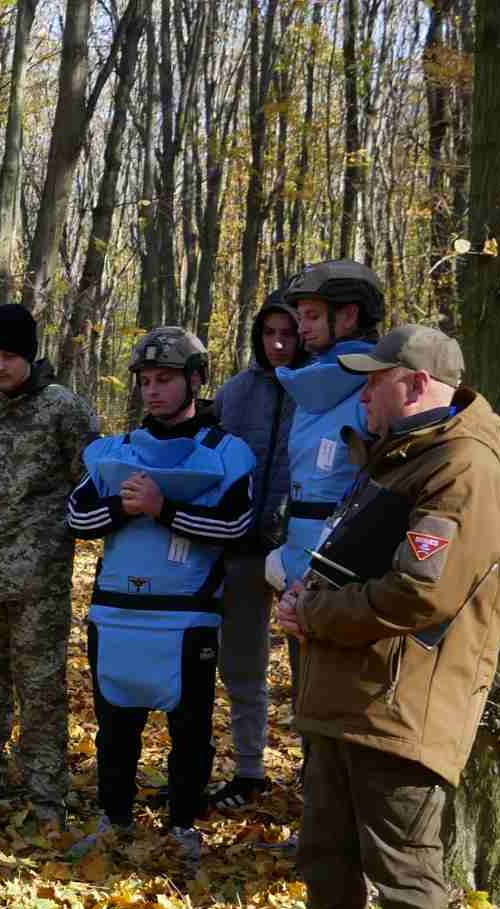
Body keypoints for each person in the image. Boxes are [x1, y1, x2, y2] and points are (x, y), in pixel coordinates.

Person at [274, 325, 500, 909]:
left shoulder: (464, 471)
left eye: (374, 381)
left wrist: (314, 614)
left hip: (402, 703)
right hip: (346, 694)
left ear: (413, 385)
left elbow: (421, 594)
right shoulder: (398, 459)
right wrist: (305, 603)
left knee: (405, 870)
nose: (364, 393)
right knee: (327, 849)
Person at [67, 328, 256, 858]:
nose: (153, 391)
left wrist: (163, 509)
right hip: (117, 611)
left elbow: (236, 525)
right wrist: (123, 508)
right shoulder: (116, 450)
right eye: (147, 381)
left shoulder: (226, 452)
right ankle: (114, 817)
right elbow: (77, 515)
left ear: (196, 381)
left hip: (186, 615)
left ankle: (182, 824)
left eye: (166, 380)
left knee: (190, 727)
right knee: (114, 725)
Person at [0, 303, 99, 828]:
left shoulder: (64, 411)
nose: (1, 365)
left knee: (39, 686)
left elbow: (91, 483)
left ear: (30, 355)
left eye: (10, 354)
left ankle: (45, 792)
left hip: (38, 577)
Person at [206, 291, 306, 810]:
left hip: (305, 553)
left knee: (310, 670)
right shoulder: (236, 393)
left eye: (288, 333)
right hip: (241, 548)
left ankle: (317, 773)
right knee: (241, 663)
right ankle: (250, 770)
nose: (279, 343)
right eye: (269, 334)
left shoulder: (325, 392)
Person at [267, 261, 384, 609]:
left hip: (348, 587)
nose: (300, 328)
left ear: (348, 316)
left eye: (312, 316)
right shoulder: (308, 385)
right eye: (300, 316)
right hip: (306, 577)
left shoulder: (381, 387)